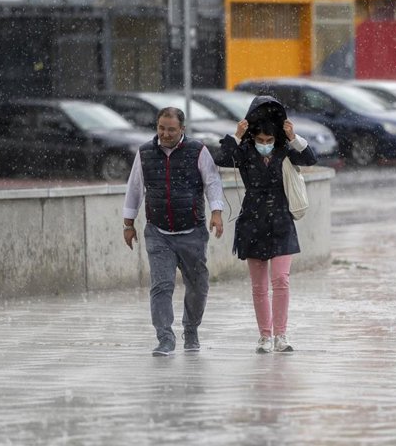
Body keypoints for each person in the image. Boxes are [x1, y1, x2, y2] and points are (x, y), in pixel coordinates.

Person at [214, 96, 317, 354]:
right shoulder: (245, 152)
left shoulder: (285, 151)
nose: (264, 145)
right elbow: (222, 157)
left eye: (269, 141)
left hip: (282, 220)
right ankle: (264, 336)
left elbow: (310, 158)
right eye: (260, 140)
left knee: (281, 279)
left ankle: (281, 334)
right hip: (252, 222)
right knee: (259, 286)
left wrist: (293, 137)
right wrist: (237, 135)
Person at [122, 107, 224, 356]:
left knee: (198, 285)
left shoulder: (197, 150)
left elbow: (212, 182)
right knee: (161, 285)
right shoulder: (145, 152)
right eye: (161, 128)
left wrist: (216, 212)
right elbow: (135, 187)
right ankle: (165, 337)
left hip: (192, 231)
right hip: (158, 232)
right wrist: (128, 223)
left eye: (171, 129)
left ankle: (191, 329)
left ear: (182, 130)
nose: (165, 134)